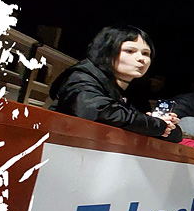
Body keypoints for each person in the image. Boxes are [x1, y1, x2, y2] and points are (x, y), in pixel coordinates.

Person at [50, 25, 181, 142]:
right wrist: (155, 124)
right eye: (129, 51)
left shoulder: (135, 90)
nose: (141, 59)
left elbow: (174, 135)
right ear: (107, 52)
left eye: (146, 53)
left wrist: (164, 124)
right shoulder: (81, 76)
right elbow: (96, 111)